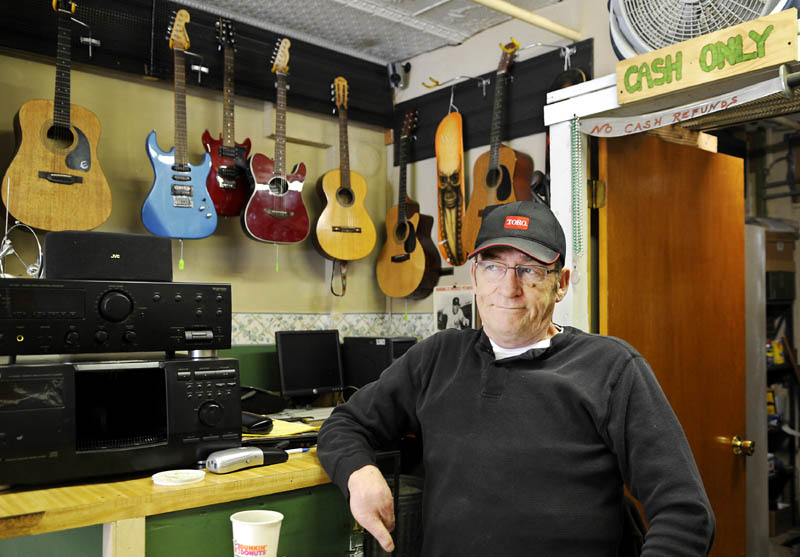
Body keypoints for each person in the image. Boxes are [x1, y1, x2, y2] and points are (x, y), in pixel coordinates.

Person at [318, 200, 715, 556]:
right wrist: (359, 473)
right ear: (474, 277)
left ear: (560, 284)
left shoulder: (612, 368)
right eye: (493, 266)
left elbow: (684, 512)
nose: (508, 288)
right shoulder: (437, 357)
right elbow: (346, 423)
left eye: (529, 270)